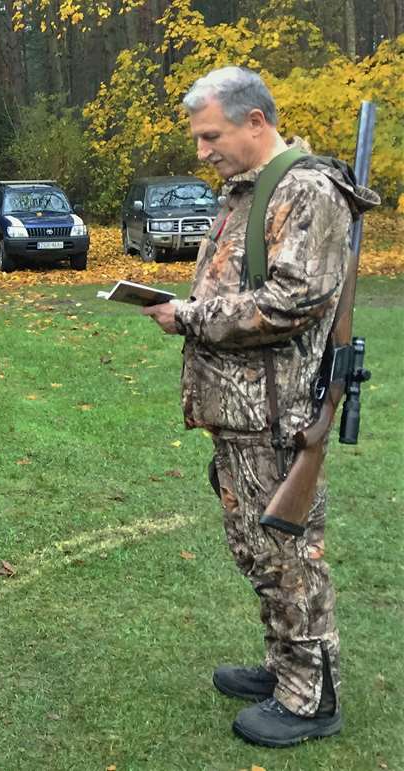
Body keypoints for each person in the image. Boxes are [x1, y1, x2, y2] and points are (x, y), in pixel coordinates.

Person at [142, 66, 378, 748]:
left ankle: (312, 697)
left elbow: (291, 302)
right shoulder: (250, 191)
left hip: (276, 416)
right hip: (242, 410)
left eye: (210, 136)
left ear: (255, 121)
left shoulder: (306, 191)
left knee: (289, 555)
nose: (202, 151)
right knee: (259, 550)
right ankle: (284, 668)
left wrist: (189, 316)